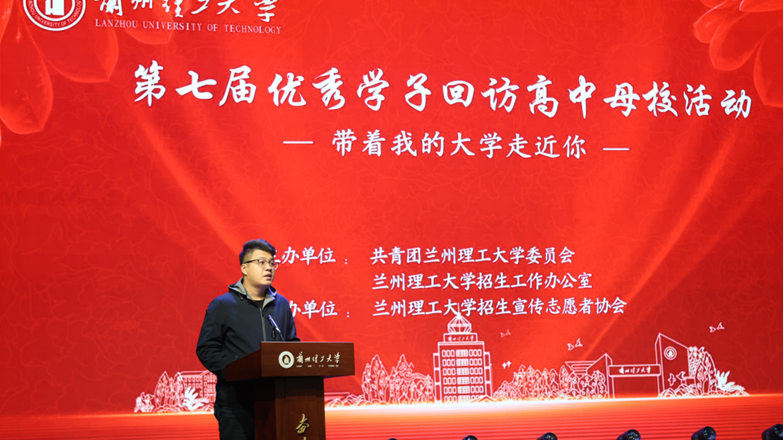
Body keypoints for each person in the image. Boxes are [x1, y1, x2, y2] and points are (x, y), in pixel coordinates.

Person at [196, 238, 299, 440]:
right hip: (236, 402)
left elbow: (291, 344)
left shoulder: (282, 305)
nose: (269, 268)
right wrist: (236, 370)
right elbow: (207, 349)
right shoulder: (222, 305)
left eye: (272, 263)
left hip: (275, 398)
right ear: (244, 268)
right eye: (261, 262)